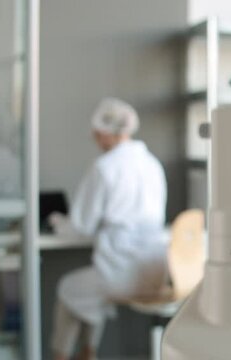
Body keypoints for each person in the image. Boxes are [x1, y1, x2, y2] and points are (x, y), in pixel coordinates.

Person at [49, 98, 168, 360]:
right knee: (90, 293)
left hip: (121, 271)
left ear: (104, 132)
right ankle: (88, 352)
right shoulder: (152, 165)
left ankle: (65, 355)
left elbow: (80, 225)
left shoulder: (104, 167)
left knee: (69, 289)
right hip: (157, 268)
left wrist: (58, 224)